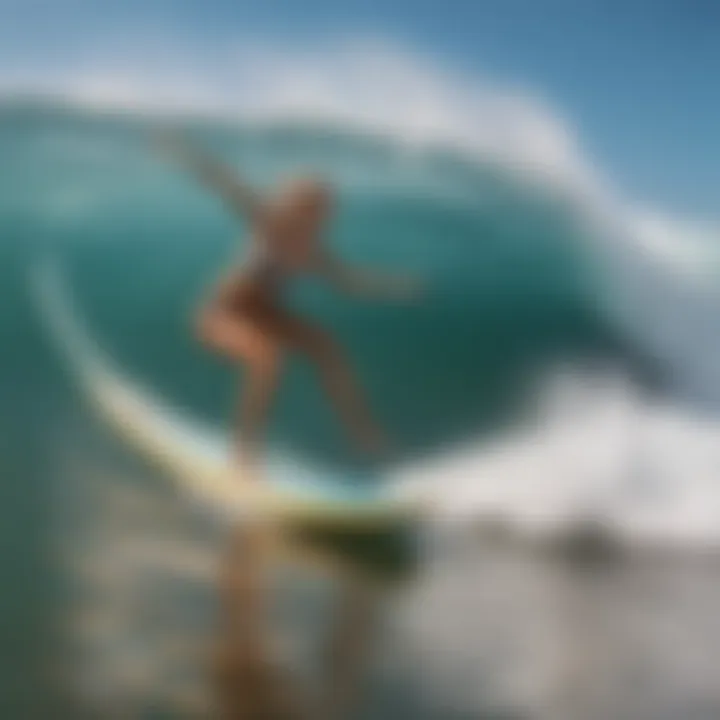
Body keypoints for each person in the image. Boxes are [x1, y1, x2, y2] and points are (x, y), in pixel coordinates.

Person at [158, 131, 421, 478]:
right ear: (298, 204)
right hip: (222, 312)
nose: (324, 214)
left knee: (328, 348)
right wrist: (180, 150)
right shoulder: (271, 223)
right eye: (317, 205)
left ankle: (362, 436)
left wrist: (396, 287)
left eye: (326, 208)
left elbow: (348, 283)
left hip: (266, 313)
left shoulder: (312, 250)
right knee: (267, 358)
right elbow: (226, 184)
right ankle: (242, 453)